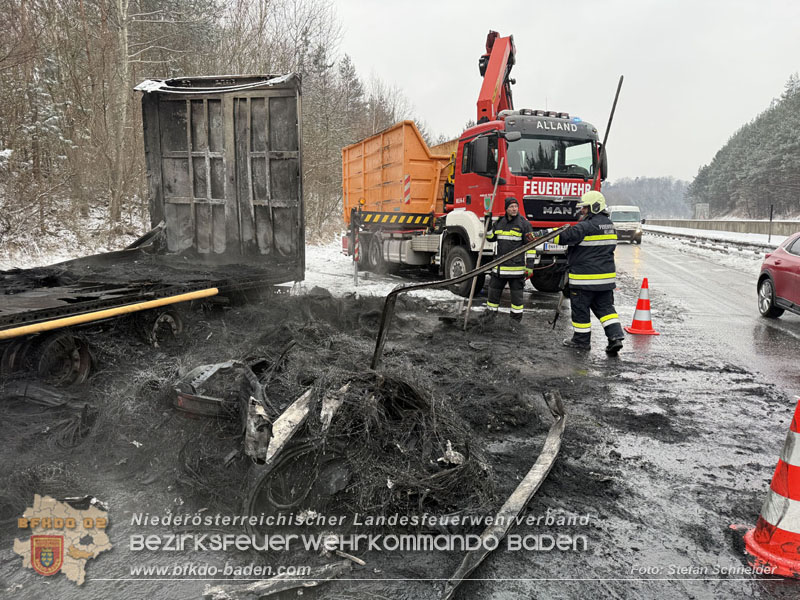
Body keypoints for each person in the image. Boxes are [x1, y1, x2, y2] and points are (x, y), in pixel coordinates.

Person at [544, 190, 624, 354]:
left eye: (585, 207)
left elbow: (564, 237)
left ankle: (581, 341)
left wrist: (545, 234)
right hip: (605, 280)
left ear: (594, 207)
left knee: (581, 311)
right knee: (606, 310)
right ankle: (615, 337)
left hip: (584, 279)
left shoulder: (587, 226)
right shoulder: (610, 225)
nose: (582, 210)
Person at [483, 197, 534, 326]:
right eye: (511, 207)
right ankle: (489, 320)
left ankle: (515, 323)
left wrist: (530, 266)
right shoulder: (500, 222)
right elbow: (490, 238)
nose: (514, 209)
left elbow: (531, 246)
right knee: (492, 297)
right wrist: (487, 223)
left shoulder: (524, 224)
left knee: (517, 300)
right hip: (499, 269)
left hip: (516, 271)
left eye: (516, 206)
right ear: (506, 209)